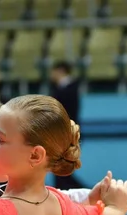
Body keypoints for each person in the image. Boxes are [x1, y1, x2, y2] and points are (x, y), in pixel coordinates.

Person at [50, 60, 84, 191]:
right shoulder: (63, 88)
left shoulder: (69, 88)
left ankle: (73, 190)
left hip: (66, 132)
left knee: (62, 166)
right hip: (64, 131)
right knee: (60, 166)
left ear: (60, 71)